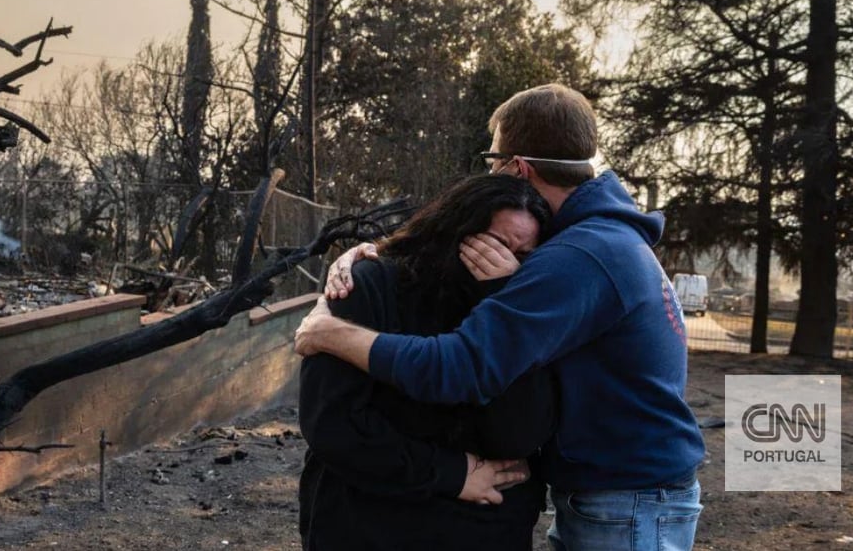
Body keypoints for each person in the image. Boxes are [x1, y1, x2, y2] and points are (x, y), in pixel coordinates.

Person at [296, 84, 706, 551]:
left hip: (626, 501)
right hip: (624, 494)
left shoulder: (580, 256)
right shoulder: (599, 240)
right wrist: (374, 255)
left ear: (518, 168)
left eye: (493, 162)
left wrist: (331, 334)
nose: (490, 176)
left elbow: (463, 366)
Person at [299, 175, 557, 551]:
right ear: (455, 231)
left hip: (480, 529)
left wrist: (503, 303)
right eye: (495, 246)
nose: (503, 263)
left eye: (522, 256)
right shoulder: (367, 285)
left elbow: (520, 433)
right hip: (368, 525)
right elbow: (332, 424)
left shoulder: (523, 308)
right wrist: (452, 474)